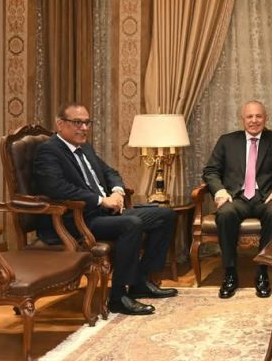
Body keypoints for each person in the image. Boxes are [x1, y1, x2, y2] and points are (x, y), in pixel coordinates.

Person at [32, 102, 178, 316]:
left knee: (165, 215)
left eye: (87, 123)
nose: (84, 128)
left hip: (103, 213)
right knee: (131, 223)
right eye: (77, 123)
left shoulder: (84, 148)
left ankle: (140, 282)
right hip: (76, 220)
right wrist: (101, 200)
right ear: (60, 124)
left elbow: (110, 172)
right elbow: (57, 188)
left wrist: (117, 192)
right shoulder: (48, 151)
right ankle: (118, 297)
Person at [202, 100, 272, 299]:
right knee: (225, 214)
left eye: (258, 116)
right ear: (242, 119)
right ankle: (230, 273)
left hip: (266, 197)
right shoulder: (227, 141)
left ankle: (263, 272)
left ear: (265, 118)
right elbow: (210, 171)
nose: (254, 120)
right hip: (236, 198)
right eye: (250, 116)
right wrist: (220, 191)